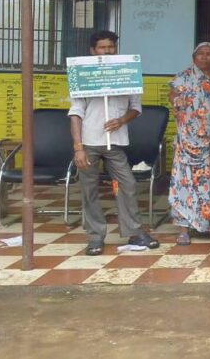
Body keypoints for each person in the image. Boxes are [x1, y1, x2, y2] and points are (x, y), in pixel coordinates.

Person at [69, 30, 159, 256]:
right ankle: (95, 237)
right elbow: (75, 114)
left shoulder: (126, 73)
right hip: (89, 143)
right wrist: (78, 148)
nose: (107, 51)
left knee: (127, 185)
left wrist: (121, 120)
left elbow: (136, 108)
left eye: (111, 47)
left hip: (116, 143)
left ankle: (134, 232)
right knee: (89, 190)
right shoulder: (83, 75)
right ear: (93, 51)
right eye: (102, 47)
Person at [167, 42, 210, 246]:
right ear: (193, 57)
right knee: (185, 182)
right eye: (201, 54)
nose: (205, 57)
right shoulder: (183, 77)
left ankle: (209, 225)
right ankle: (184, 228)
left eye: (209, 54)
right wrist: (176, 100)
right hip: (187, 141)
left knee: (209, 182)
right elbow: (173, 93)